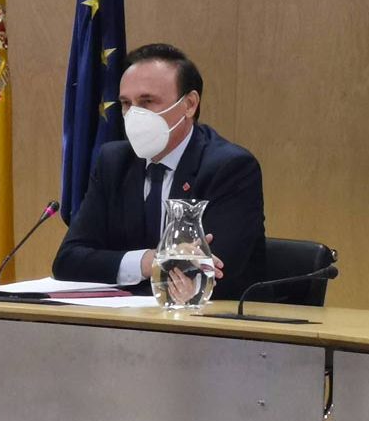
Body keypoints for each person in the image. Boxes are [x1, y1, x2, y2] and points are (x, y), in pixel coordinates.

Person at [54, 43, 266, 300]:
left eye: (147, 102)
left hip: (209, 319)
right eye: (126, 104)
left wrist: (127, 265)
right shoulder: (114, 162)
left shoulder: (230, 167)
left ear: (189, 104)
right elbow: (68, 261)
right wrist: (149, 261)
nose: (133, 115)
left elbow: (212, 273)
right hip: (124, 318)